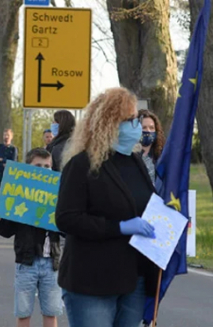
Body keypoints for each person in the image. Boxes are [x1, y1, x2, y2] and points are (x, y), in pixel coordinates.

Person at [56, 87, 158, 327]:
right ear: (109, 123)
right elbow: (67, 218)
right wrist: (119, 227)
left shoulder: (136, 162)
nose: (138, 125)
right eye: (130, 120)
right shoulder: (82, 165)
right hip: (93, 281)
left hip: (134, 278)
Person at [0, 148, 62, 327]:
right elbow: (7, 231)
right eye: (38, 166)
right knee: (23, 313)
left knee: (51, 313)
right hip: (26, 262)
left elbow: (66, 229)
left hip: (52, 262)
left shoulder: (57, 195)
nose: (44, 169)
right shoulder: (19, 195)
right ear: (28, 168)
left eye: (47, 166)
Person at [138, 109, 166, 182]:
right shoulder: (130, 156)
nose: (148, 131)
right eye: (144, 127)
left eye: (151, 128)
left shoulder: (162, 156)